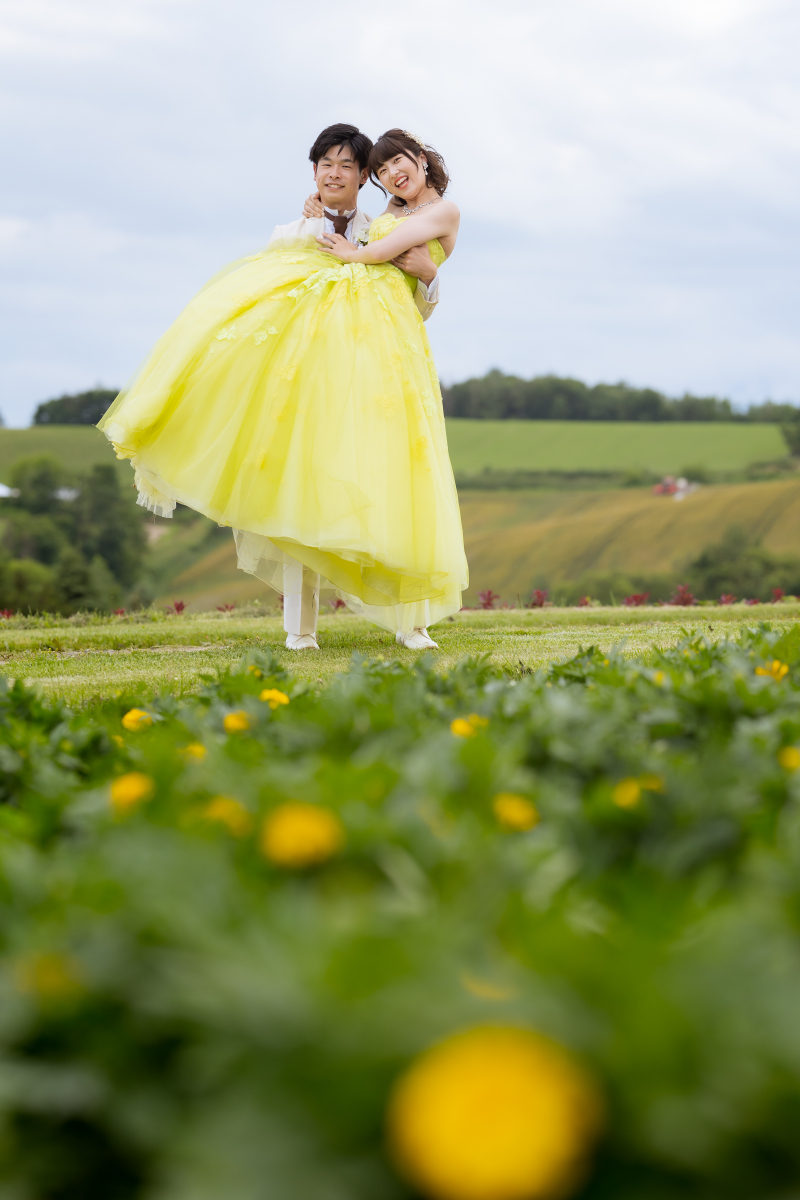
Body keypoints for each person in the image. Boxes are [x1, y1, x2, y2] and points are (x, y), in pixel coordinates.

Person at [98, 125, 467, 651]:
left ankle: (412, 622)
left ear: (366, 178)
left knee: (392, 472)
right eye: (326, 165)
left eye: (350, 166)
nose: (336, 174)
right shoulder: (294, 227)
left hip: (371, 369)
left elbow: (413, 304)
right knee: (299, 481)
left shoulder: (380, 223)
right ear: (315, 172)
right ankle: (301, 629)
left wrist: (431, 275)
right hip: (304, 377)